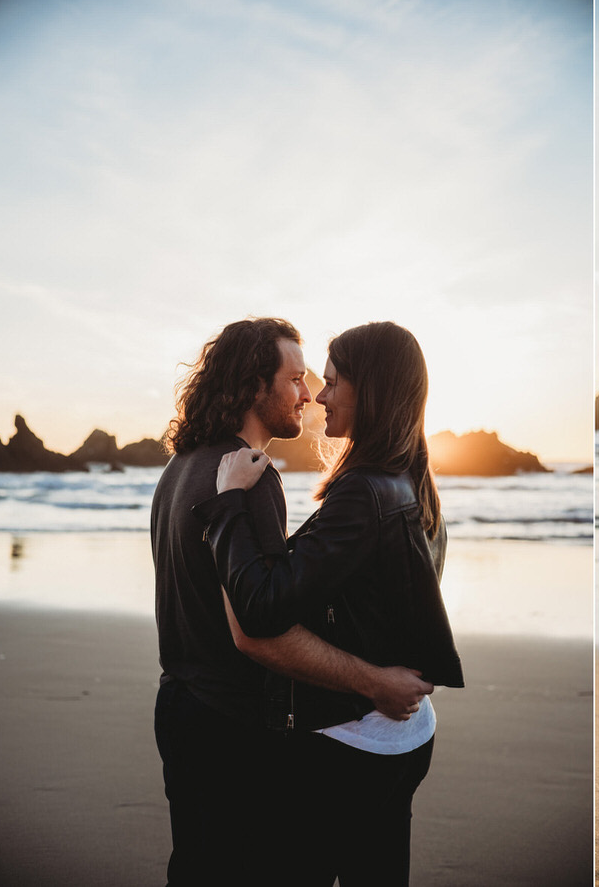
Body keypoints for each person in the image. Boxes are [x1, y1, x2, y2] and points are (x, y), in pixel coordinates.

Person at [152, 317, 431, 887]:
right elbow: (256, 628)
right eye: (297, 379)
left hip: (177, 707)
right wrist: (374, 682)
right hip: (229, 725)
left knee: (194, 867)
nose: (308, 395)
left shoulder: (179, 469)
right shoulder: (252, 479)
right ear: (256, 386)